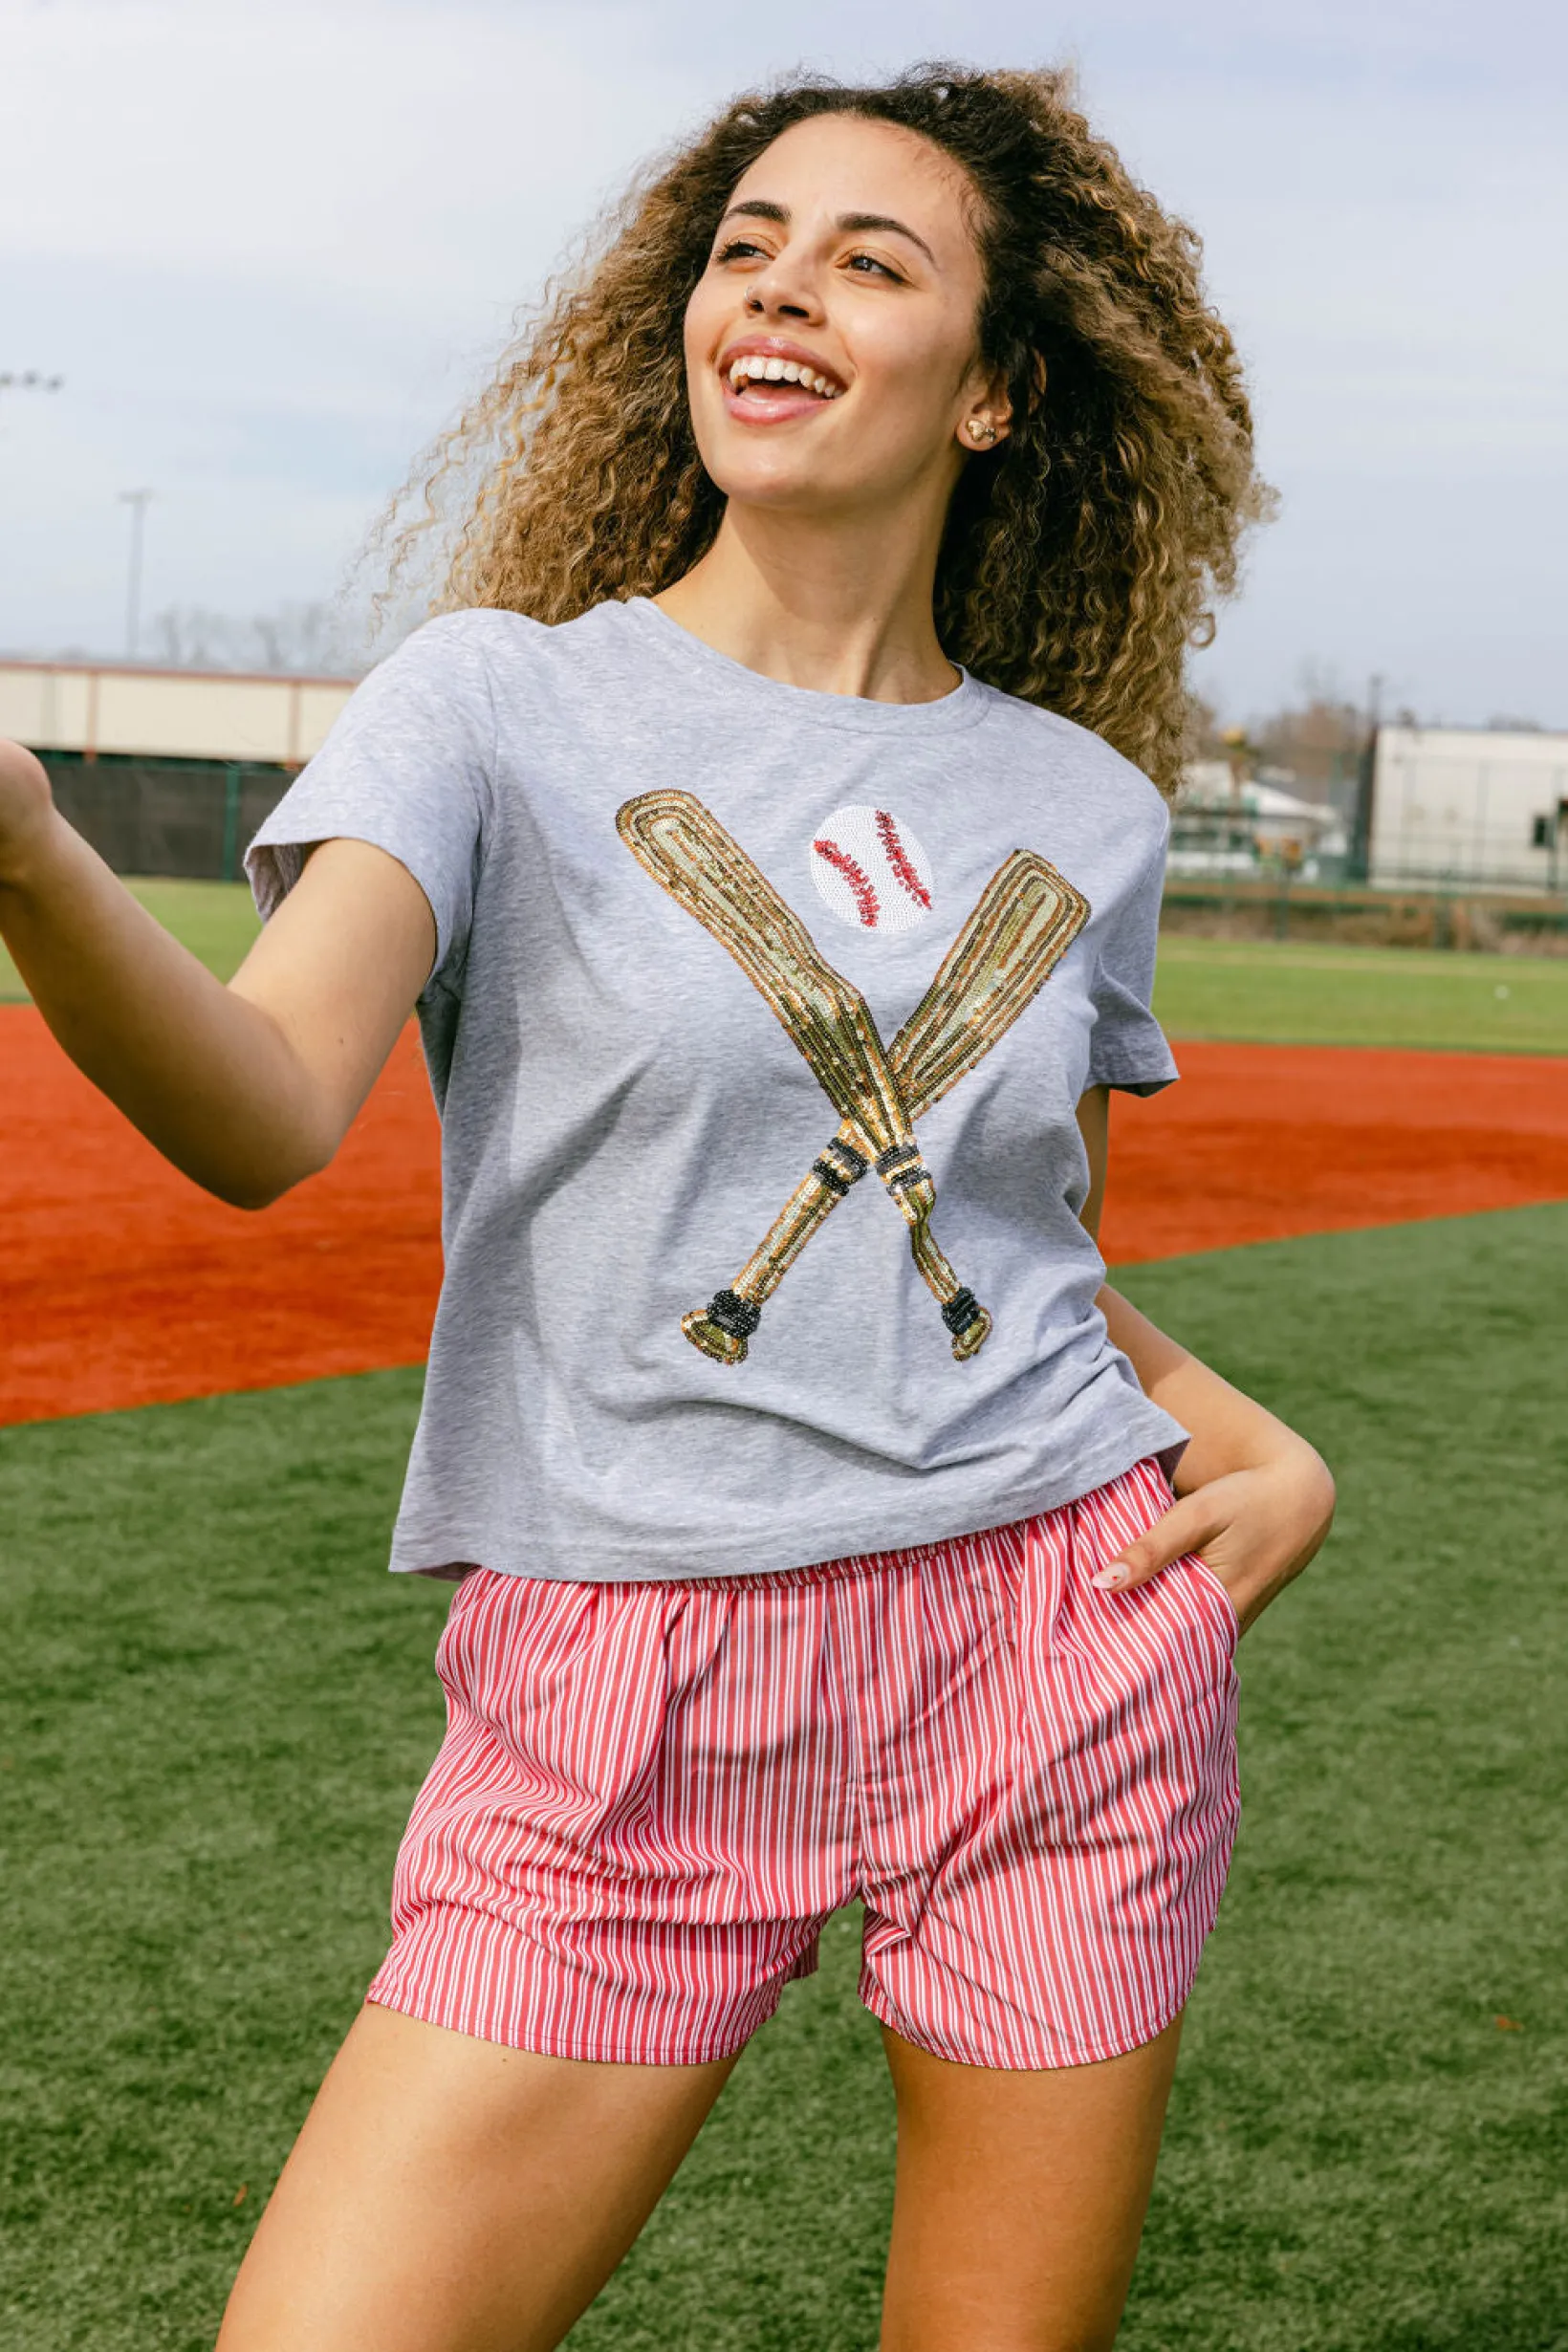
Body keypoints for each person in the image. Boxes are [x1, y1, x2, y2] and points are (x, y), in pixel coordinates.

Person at [0, 65, 1334, 2352]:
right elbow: (259, 1106)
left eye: (866, 258)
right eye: (744, 243)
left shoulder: (1080, 808)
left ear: (995, 392)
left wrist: (1248, 1430)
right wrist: (25, 845)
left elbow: (1023, 1256)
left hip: (1052, 1654)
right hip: (632, 1677)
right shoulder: (496, 704)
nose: (778, 288)